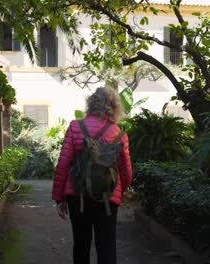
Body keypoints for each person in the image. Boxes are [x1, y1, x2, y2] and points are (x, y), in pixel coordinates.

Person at [52, 87, 132, 264]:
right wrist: (120, 191)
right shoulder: (119, 134)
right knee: (107, 246)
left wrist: (59, 198)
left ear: (91, 103)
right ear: (114, 106)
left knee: (81, 245)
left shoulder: (75, 127)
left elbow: (63, 163)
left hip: (78, 195)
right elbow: (126, 171)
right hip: (107, 198)